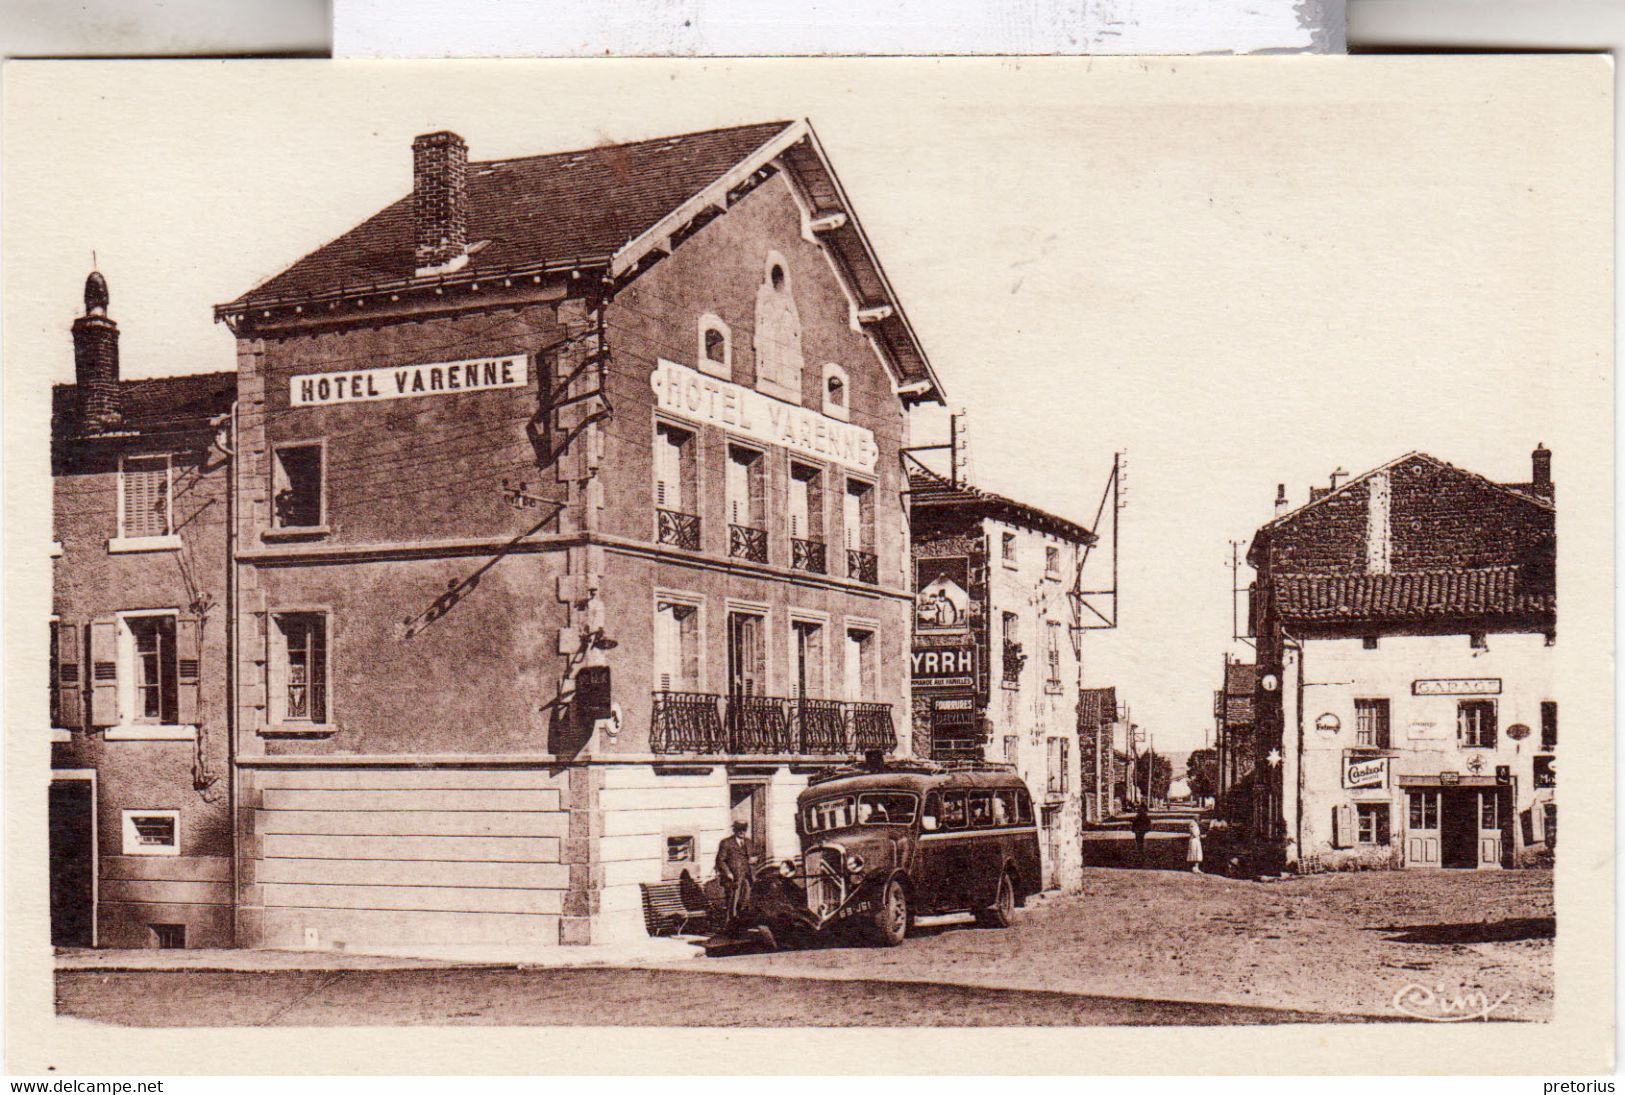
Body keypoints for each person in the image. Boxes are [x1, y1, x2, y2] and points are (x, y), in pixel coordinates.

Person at [715, 820, 755, 930]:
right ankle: (729, 927)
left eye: (744, 829)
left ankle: (742, 925)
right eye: (739, 829)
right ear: (734, 830)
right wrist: (728, 873)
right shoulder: (726, 843)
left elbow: (755, 855)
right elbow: (720, 860)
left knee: (745, 901)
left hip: (748, 877)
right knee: (733, 903)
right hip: (733, 879)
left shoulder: (749, 842)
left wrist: (754, 860)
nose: (742, 832)